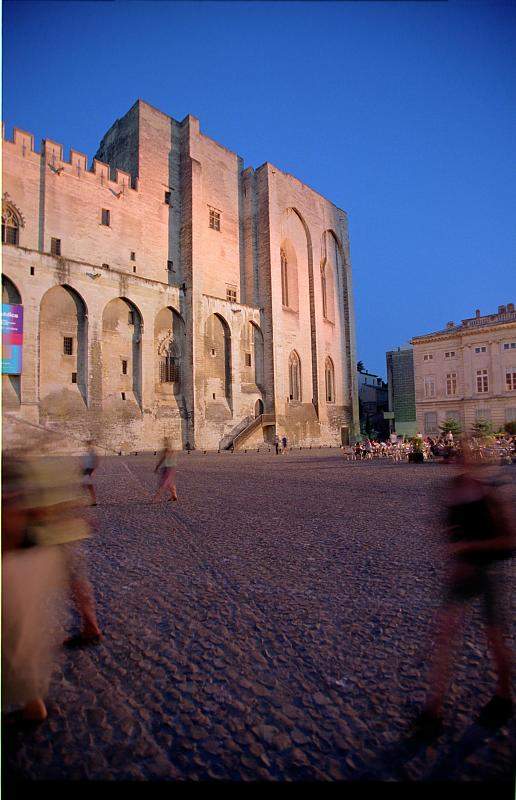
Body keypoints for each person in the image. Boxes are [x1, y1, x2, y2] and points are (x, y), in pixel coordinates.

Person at [414, 445, 514, 739]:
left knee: (495, 639)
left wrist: (468, 547)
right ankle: (434, 709)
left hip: (486, 571)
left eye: (465, 458)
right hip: (462, 571)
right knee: (444, 637)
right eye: (456, 458)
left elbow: (509, 541)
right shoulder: (451, 489)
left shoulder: (491, 493)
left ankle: (505, 696)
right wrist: (451, 549)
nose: (459, 463)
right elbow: (445, 529)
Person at [81, 439, 99, 506]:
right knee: (88, 487)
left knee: (85, 486)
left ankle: (91, 501)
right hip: (86, 471)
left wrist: (93, 471)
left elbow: (96, 462)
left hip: (88, 471)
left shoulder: (92, 453)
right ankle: (93, 501)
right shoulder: (88, 453)